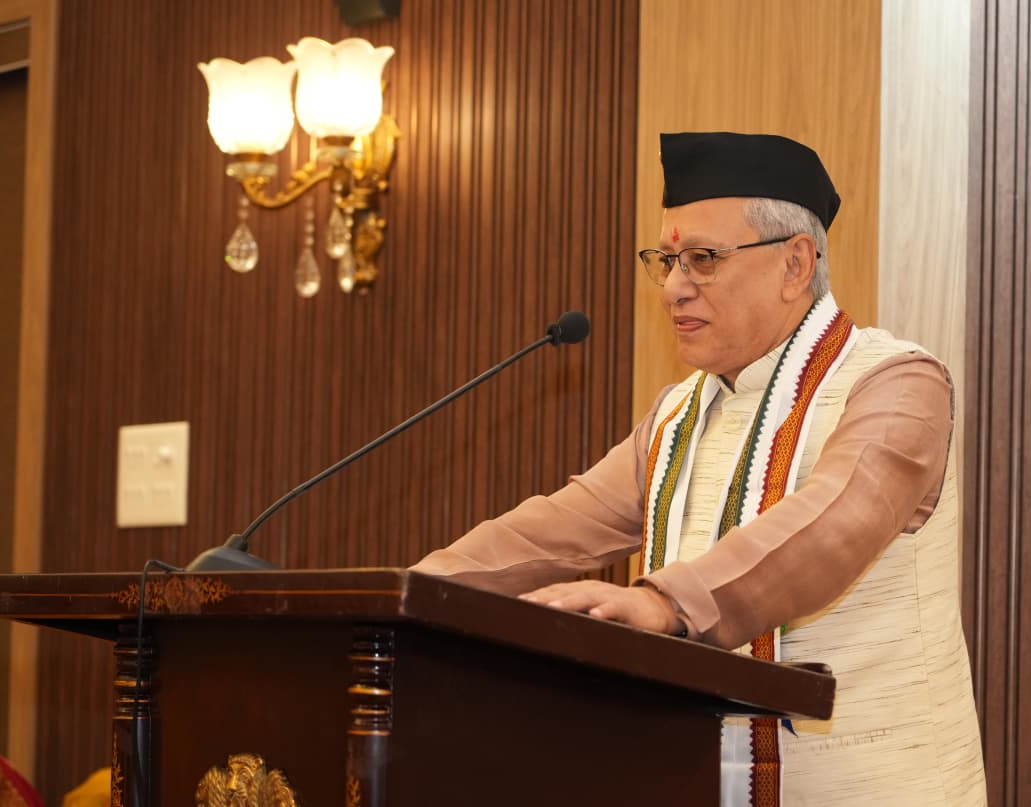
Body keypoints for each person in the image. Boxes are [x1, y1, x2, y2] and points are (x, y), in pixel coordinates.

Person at [411, 132, 986, 805]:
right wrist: (406, 594)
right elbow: (549, 532)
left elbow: (829, 528)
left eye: (703, 260)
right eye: (667, 261)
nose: (673, 289)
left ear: (795, 263)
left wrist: (667, 604)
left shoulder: (898, 384)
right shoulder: (678, 415)